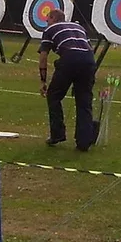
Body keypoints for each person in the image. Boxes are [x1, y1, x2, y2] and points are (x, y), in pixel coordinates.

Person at [37, 14, 98, 150]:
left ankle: (57, 134)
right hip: (89, 60)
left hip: (69, 59)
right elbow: (88, 48)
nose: (46, 22)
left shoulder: (50, 29)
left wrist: (43, 81)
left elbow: (43, 56)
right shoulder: (78, 26)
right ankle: (84, 142)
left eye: (47, 19)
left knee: (53, 96)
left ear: (53, 18)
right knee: (84, 101)